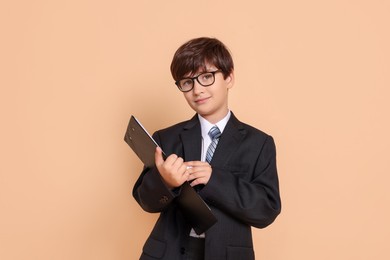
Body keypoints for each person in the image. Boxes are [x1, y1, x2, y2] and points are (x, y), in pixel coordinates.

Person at [132, 37, 281, 260]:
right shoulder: (166, 137)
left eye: (206, 77)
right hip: (168, 253)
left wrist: (215, 179)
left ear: (229, 77)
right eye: (187, 82)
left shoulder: (259, 143)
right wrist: (167, 182)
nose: (197, 90)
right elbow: (145, 200)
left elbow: (266, 210)